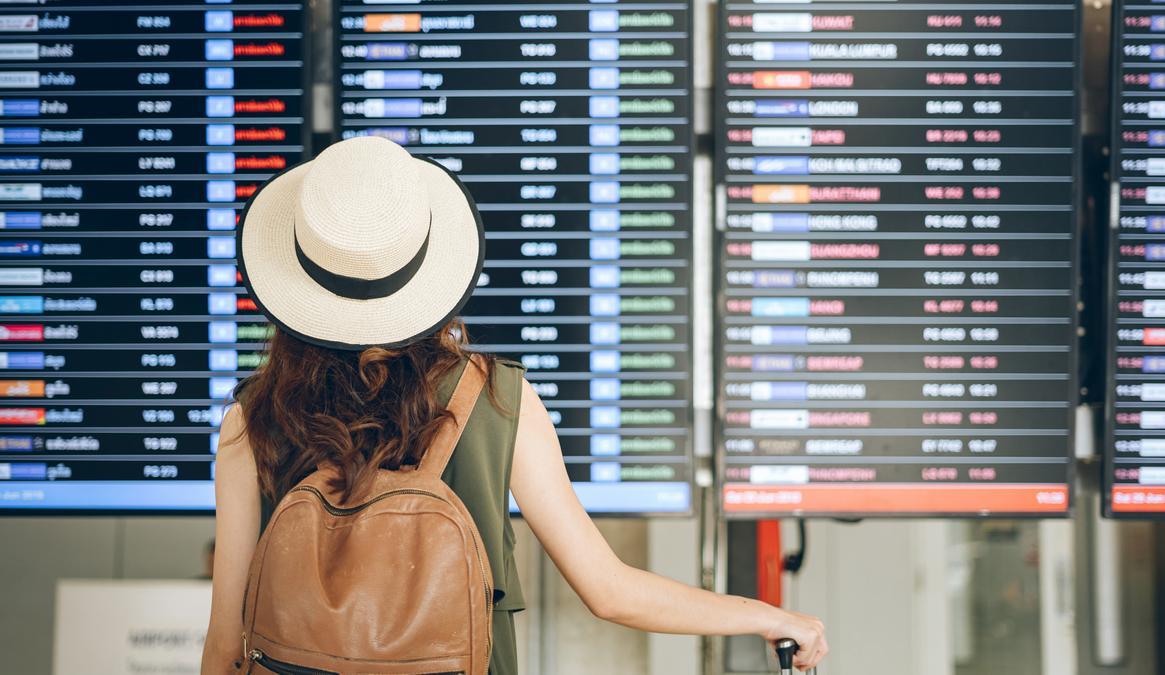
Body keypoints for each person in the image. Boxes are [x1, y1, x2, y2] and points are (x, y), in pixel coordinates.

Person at [200, 136, 828, 674]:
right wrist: (767, 616)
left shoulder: (248, 422)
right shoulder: (498, 399)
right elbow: (608, 591)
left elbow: (227, 646)